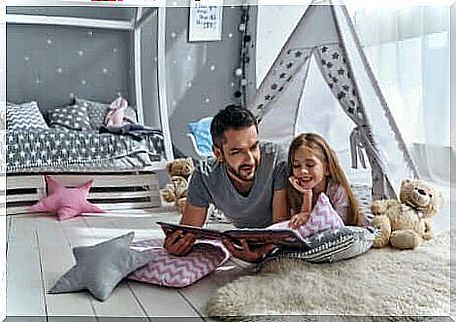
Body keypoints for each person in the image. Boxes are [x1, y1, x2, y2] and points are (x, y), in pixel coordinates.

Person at [163, 104, 288, 262]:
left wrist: (262, 254)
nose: (250, 159)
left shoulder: (276, 159)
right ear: (218, 153)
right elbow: (189, 229)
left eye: (254, 147)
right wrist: (177, 245)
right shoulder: (204, 176)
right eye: (237, 151)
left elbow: (281, 230)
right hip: (251, 240)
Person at [286, 132, 367, 228]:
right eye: (296, 166)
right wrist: (307, 195)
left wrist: (307, 212)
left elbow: (335, 227)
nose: (303, 171)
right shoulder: (294, 191)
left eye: (310, 165)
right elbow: (299, 229)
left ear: (327, 169)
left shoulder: (338, 192)